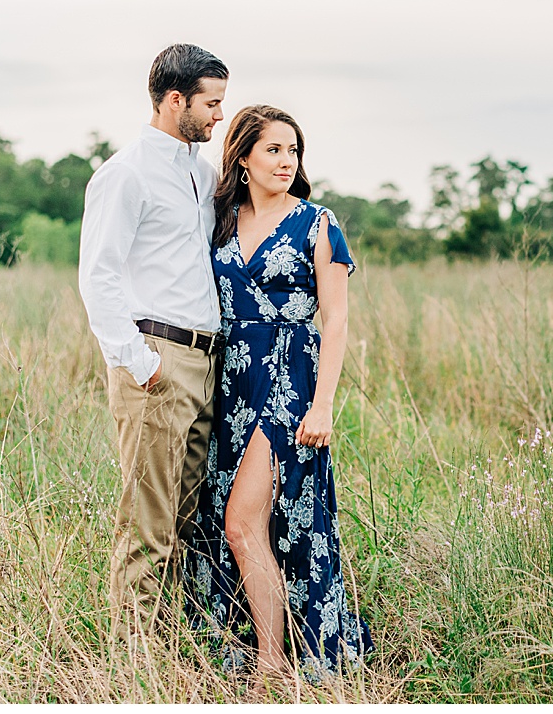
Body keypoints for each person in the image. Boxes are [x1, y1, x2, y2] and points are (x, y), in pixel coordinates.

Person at [185, 104, 373, 679]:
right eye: (273, 149)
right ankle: (258, 644)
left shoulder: (318, 223)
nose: (286, 161)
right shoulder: (219, 218)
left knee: (246, 521)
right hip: (230, 384)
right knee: (236, 523)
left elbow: (335, 321)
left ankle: (273, 662)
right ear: (241, 156)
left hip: (290, 384)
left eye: (293, 151)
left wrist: (323, 405)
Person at [78, 43, 229, 644]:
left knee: (185, 518)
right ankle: (134, 663)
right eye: (211, 103)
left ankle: (172, 643)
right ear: (174, 100)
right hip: (156, 359)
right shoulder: (125, 173)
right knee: (148, 522)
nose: (219, 115)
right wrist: (140, 364)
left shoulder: (202, 172)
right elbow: (99, 275)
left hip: (206, 360)